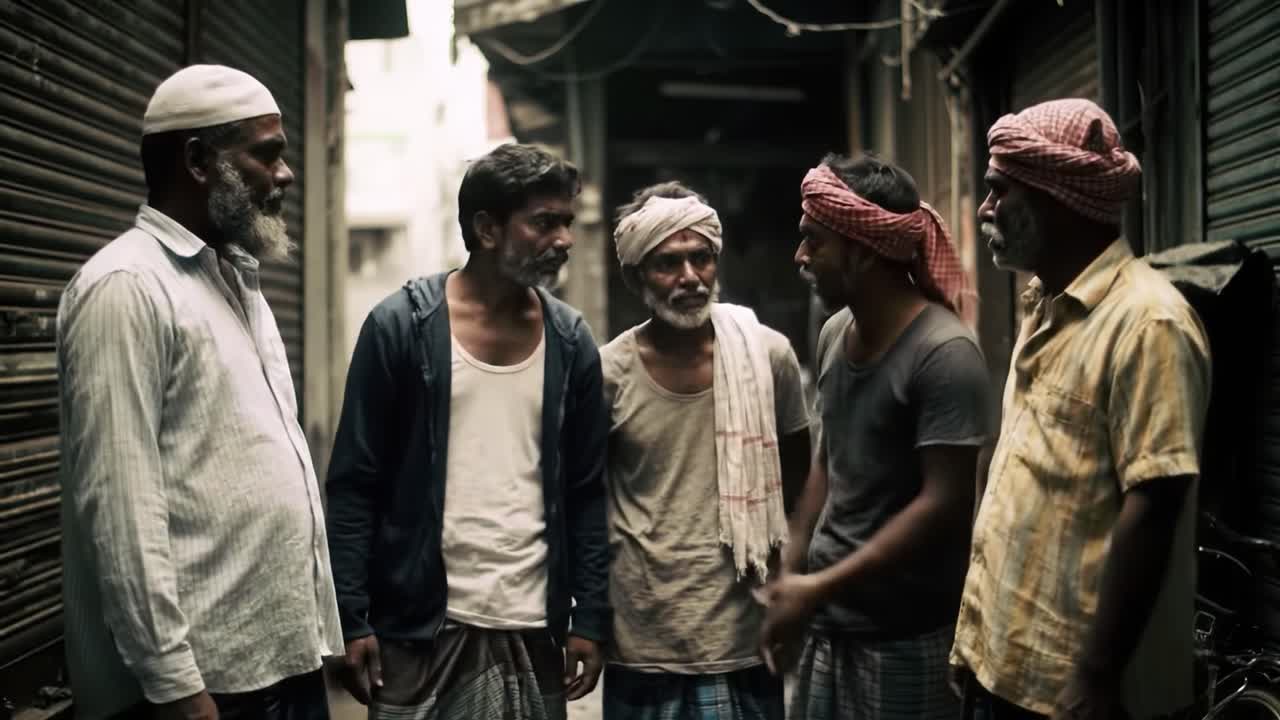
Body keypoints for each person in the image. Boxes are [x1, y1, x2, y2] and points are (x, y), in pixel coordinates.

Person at [56, 64, 341, 720]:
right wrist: (177, 687)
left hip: (281, 668)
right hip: (204, 691)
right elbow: (122, 509)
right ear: (197, 160)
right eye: (268, 153)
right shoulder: (127, 286)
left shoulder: (236, 280)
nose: (287, 174)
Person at [326, 142, 610, 719]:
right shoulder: (401, 327)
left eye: (567, 222)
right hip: (420, 627)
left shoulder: (570, 340)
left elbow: (586, 491)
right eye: (544, 222)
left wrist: (591, 617)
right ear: (486, 228)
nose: (564, 239)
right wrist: (351, 616)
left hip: (533, 625)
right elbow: (355, 482)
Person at [949, 98, 1212, 720]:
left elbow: (1156, 505)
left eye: (998, 191)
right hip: (1009, 670)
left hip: (1077, 693)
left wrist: (1096, 673)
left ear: (1054, 196)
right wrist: (975, 641)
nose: (986, 209)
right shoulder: (1043, 303)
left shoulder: (1149, 322)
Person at [758, 152, 992, 720]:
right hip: (829, 626)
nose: (801, 257)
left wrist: (820, 587)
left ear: (861, 250)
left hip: (904, 637)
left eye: (814, 241)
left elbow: (945, 503)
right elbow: (826, 460)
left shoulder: (944, 354)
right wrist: (794, 572)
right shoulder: (836, 333)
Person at [599, 182, 811, 719]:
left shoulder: (769, 356)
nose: (689, 278)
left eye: (701, 258)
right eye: (668, 263)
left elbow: (801, 486)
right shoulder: (607, 373)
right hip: (644, 634)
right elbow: (581, 499)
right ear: (635, 277)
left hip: (746, 630)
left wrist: (792, 591)